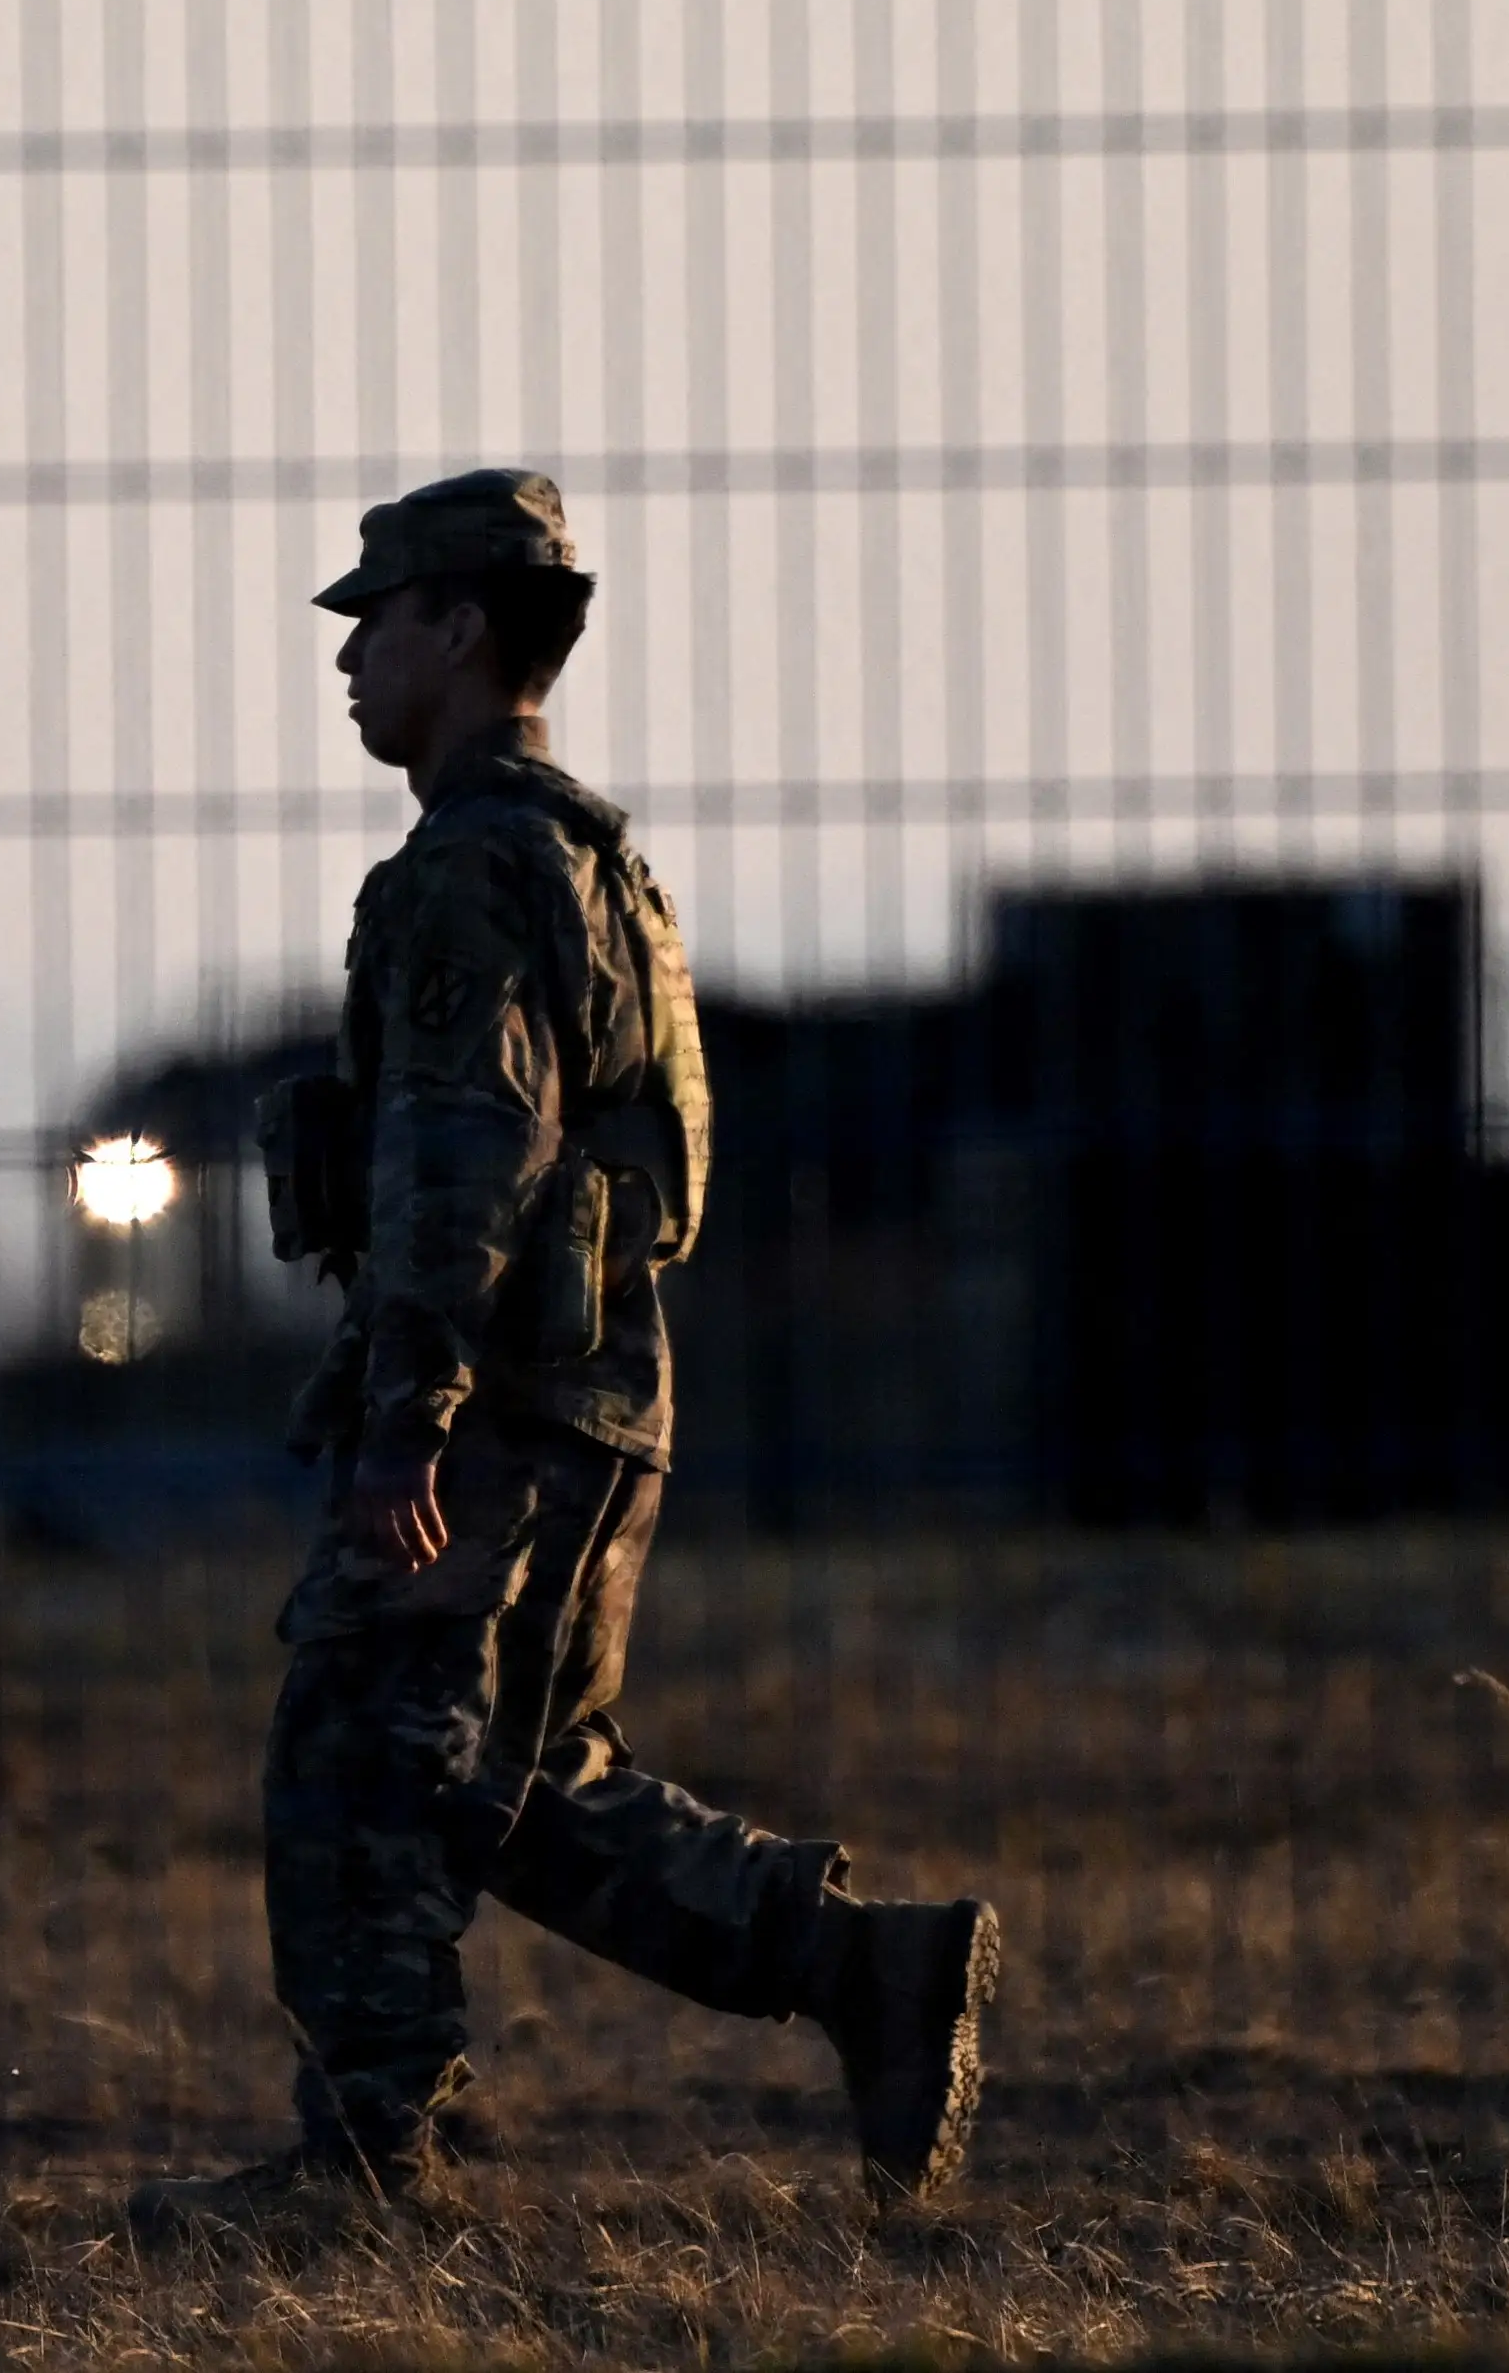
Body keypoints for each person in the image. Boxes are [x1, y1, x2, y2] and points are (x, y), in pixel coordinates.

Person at [131, 465, 998, 2239]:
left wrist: (409, 1421)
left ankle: (373, 2171)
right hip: (593, 1401)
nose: (351, 656)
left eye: (374, 618)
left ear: (462, 629)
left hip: (499, 1415)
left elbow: (467, 1157)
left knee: (359, 1755)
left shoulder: (469, 873)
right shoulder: (599, 861)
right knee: (515, 1787)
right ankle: (866, 1974)